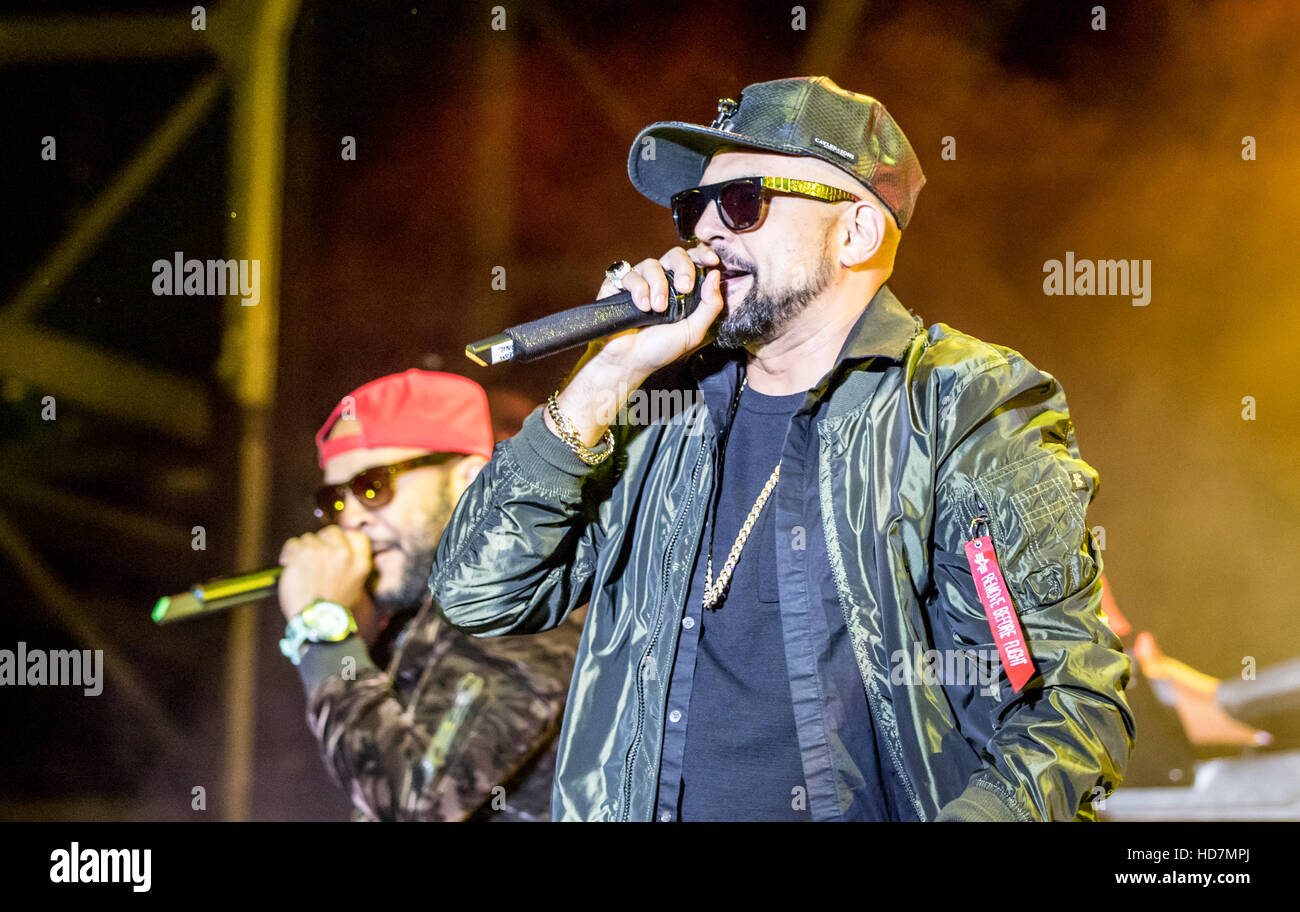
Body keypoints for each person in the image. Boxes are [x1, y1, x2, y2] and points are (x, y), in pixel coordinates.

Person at [431, 76, 1134, 821]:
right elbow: (479, 592)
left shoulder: (961, 405)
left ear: (856, 231)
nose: (705, 233)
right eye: (692, 210)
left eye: (743, 202)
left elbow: (1067, 699)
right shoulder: (656, 411)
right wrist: (608, 371)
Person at [276, 369, 580, 821]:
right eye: (335, 499)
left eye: (373, 485)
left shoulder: (519, 596)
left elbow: (417, 801)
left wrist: (323, 631)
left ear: (468, 477)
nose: (351, 518)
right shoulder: (417, 618)